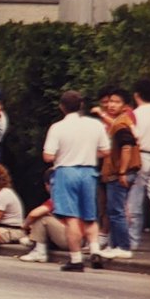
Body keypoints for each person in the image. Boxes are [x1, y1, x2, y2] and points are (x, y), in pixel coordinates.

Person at [42, 90, 110, 272]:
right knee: (90, 215)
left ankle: (76, 258)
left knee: (71, 217)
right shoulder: (95, 125)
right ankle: (95, 249)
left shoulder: (57, 127)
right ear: (81, 106)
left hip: (66, 171)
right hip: (88, 171)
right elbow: (105, 151)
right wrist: (88, 154)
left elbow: (48, 156)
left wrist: (63, 154)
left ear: (61, 107)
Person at [97, 86, 141, 260]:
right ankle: (113, 245)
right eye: (110, 102)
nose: (111, 105)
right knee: (114, 209)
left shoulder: (121, 123)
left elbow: (127, 147)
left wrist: (122, 171)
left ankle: (123, 246)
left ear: (125, 105)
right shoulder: (121, 121)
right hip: (119, 172)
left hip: (119, 173)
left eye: (117, 102)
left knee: (116, 211)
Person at [127, 78, 150, 251]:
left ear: (136, 95)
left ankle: (133, 241)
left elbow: (135, 137)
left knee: (135, 201)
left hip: (140, 157)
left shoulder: (135, 114)